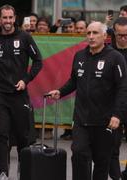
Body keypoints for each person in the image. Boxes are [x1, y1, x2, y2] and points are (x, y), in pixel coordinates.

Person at [47, 21, 127, 180]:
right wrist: (60, 92)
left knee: (101, 162)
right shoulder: (79, 56)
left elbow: (122, 88)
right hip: (81, 120)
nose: (91, 37)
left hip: (105, 121)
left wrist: (117, 115)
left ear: (105, 36)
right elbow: (74, 81)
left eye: (95, 33)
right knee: (79, 154)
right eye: (89, 33)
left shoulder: (115, 58)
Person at [0, 5, 43, 180]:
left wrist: (26, 80)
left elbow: (38, 61)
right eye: (4, 18)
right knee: (1, 133)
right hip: (0, 94)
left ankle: (22, 168)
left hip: (19, 94)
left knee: (23, 136)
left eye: (10, 18)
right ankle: (3, 172)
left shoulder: (24, 37)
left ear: (15, 18)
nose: (7, 21)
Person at [109, 17, 127, 180]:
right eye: (120, 35)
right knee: (112, 148)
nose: (123, 38)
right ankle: (116, 178)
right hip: (114, 105)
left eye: (126, 35)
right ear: (114, 33)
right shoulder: (108, 51)